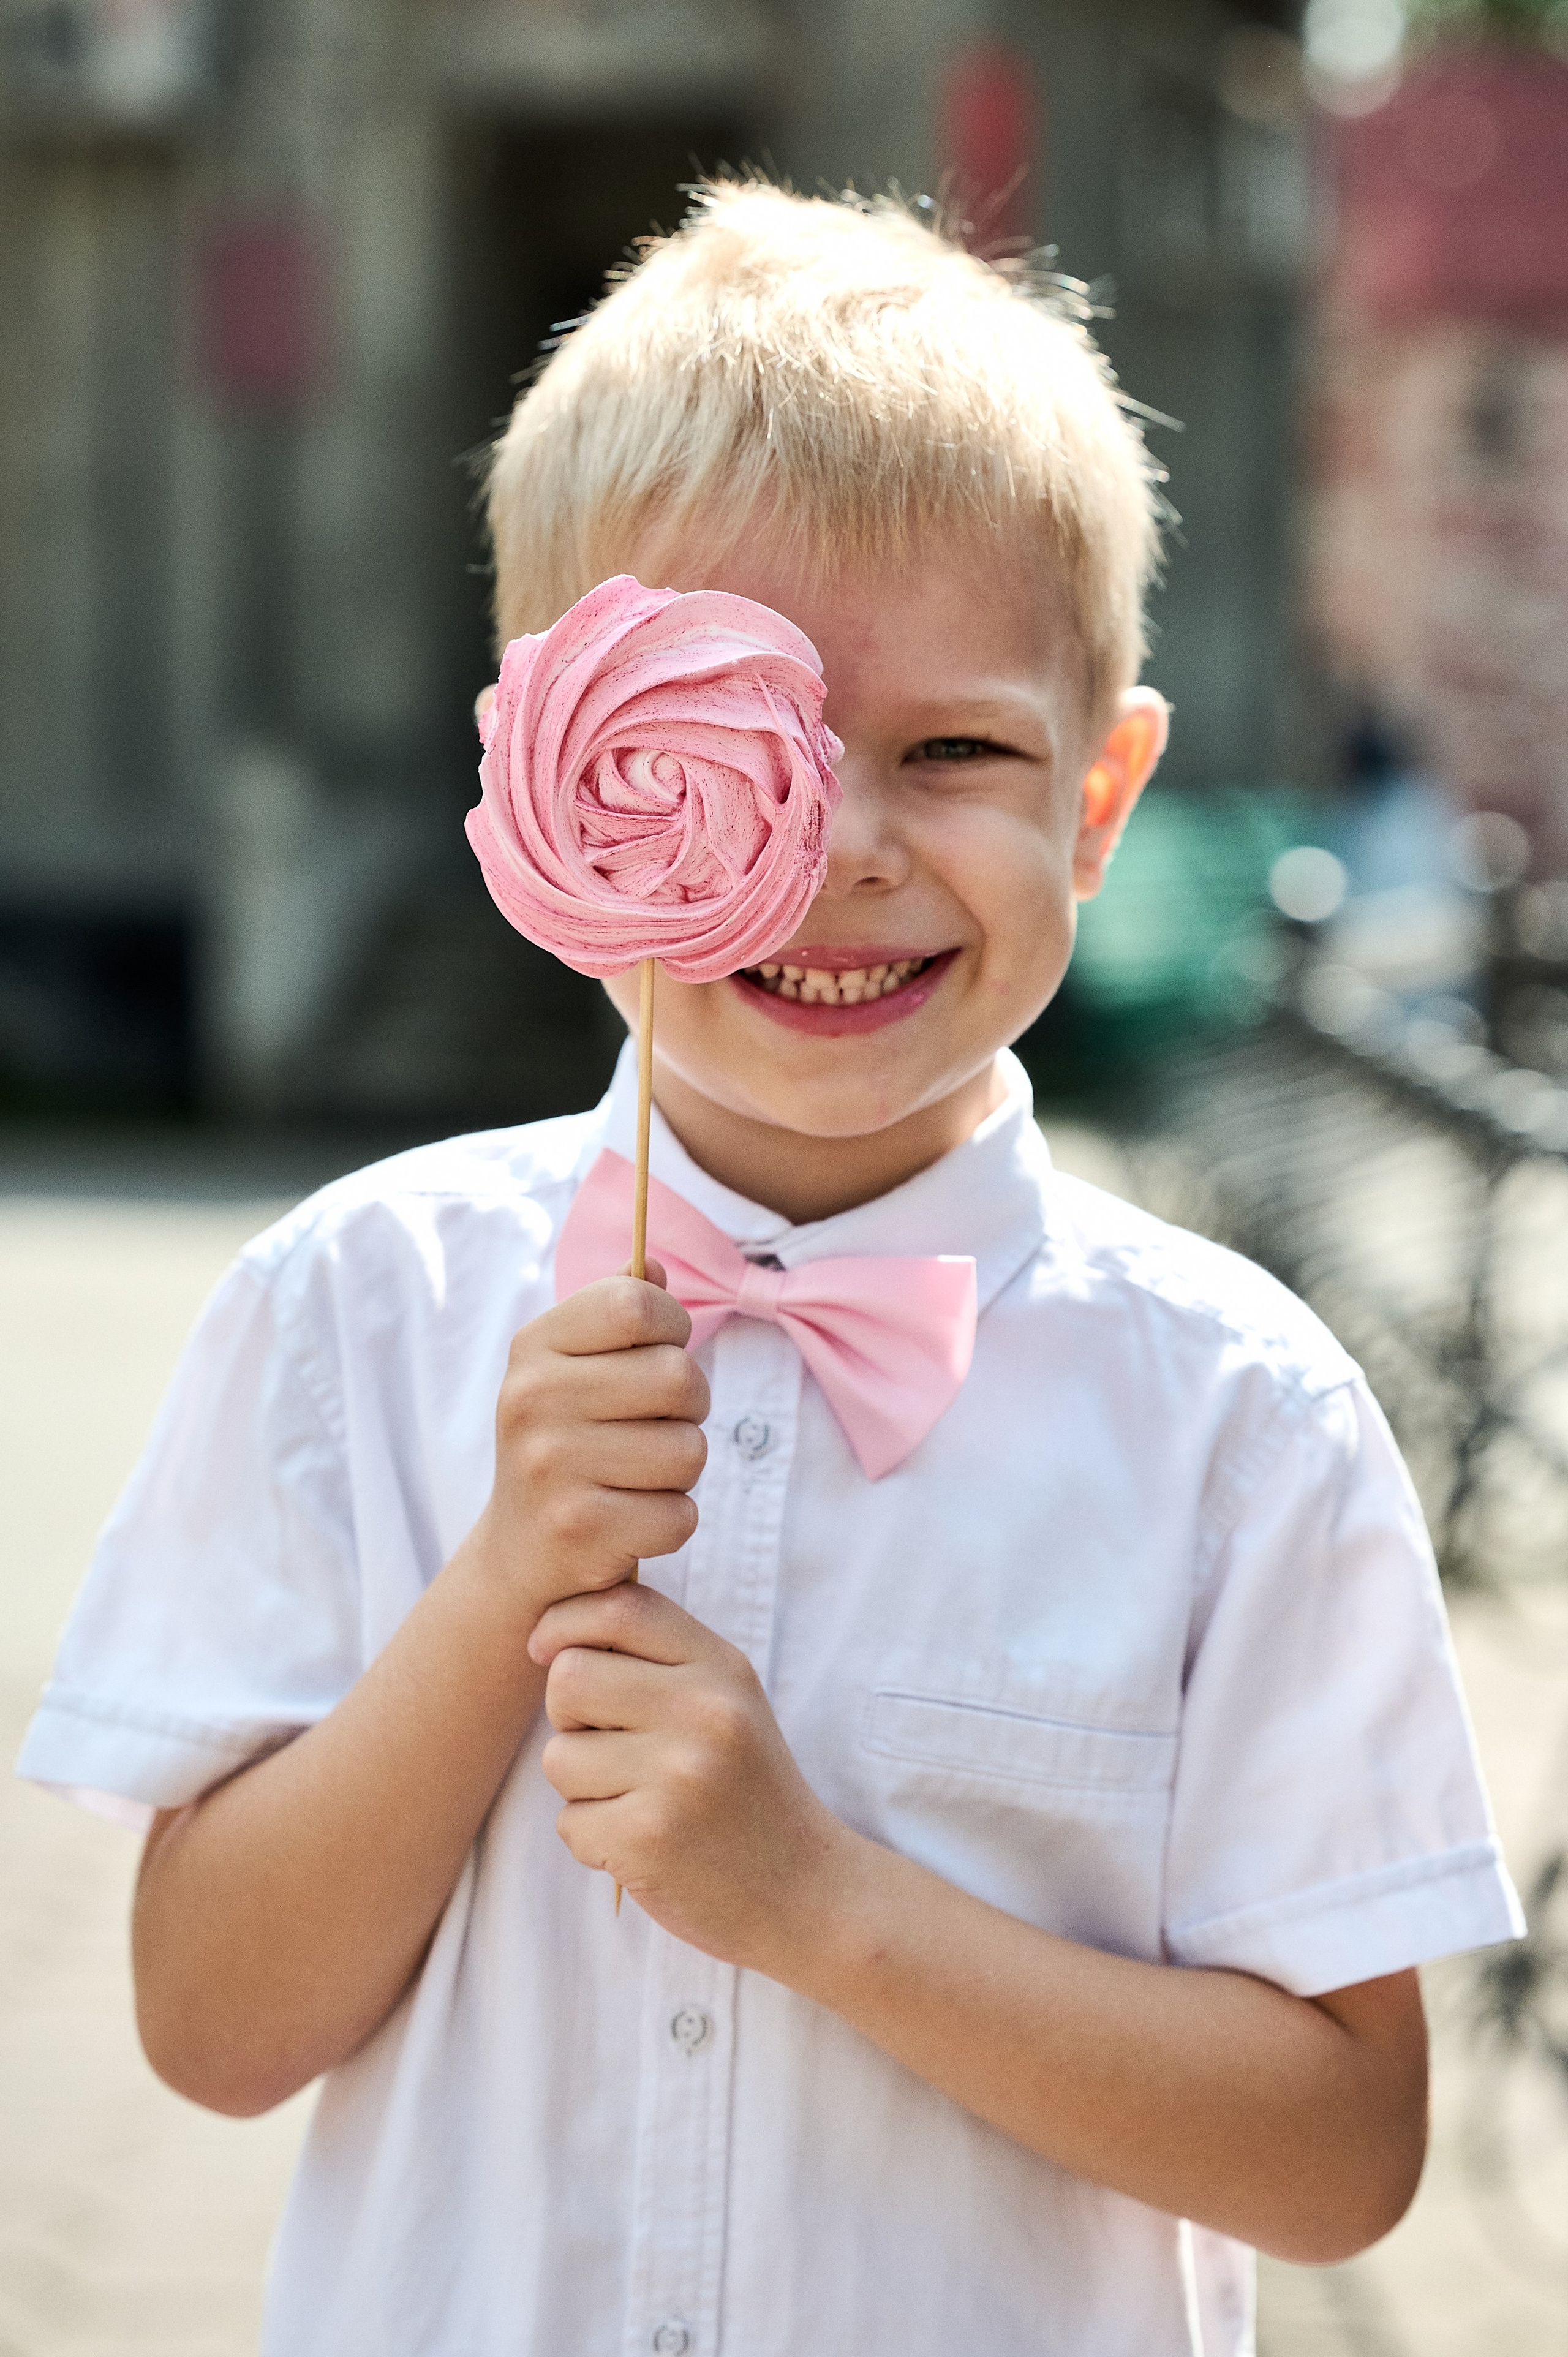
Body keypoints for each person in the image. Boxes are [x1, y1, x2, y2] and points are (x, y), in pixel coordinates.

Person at [19, 183, 1520, 2356]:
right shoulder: (349, 1317)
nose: (842, 846)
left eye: (955, 751)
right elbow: (210, 2029)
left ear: (1103, 796)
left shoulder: (1243, 1427)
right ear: (560, 773)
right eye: (737, 747)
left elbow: (1338, 2154)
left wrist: (822, 1907)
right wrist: (497, 1591)